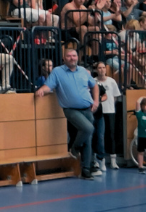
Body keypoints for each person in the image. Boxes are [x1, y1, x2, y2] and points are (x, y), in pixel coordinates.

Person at [34, 48, 100, 180]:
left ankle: (86, 169)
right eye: (69, 56)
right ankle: (74, 149)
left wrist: (96, 100)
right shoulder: (58, 71)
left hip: (88, 108)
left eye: (74, 55)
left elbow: (94, 85)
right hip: (71, 109)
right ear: (64, 58)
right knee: (88, 129)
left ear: (77, 57)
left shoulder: (83, 71)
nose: (72, 58)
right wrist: (42, 90)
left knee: (88, 138)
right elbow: (49, 85)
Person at [93, 61, 121, 171]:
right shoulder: (94, 81)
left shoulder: (111, 81)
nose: (101, 70)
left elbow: (115, 96)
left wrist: (110, 107)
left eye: (103, 67)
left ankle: (113, 160)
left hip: (109, 111)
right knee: (98, 135)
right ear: (96, 70)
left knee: (111, 135)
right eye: (99, 68)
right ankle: (97, 160)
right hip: (98, 112)